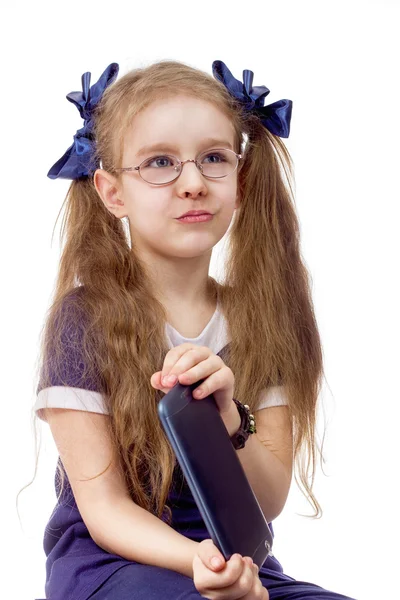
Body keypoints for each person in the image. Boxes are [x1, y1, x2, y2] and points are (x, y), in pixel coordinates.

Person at [32, 59, 357, 600]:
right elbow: (105, 509)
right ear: (113, 193)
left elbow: (269, 499)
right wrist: (200, 564)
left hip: (236, 558)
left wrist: (232, 421)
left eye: (213, 158)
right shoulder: (83, 320)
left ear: (241, 181)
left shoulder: (263, 321)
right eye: (159, 162)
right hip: (113, 562)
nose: (192, 183)